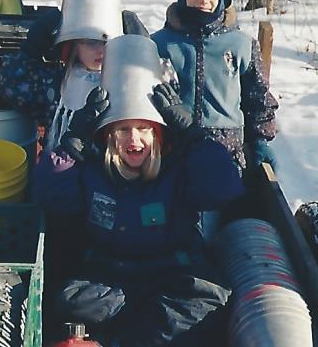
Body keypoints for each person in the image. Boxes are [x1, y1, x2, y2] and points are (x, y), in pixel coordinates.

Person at [32, 34, 245, 346]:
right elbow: (51, 197)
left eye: (144, 129)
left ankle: (128, 336)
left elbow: (223, 188)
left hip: (171, 272)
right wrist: (72, 144)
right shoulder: (94, 169)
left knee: (206, 304)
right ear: (108, 136)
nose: (134, 139)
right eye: (123, 130)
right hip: (109, 276)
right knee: (70, 301)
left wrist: (194, 137)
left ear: (158, 135)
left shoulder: (177, 168)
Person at [152, 0, 278, 173]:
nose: (204, 0)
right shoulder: (161, 43)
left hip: (228, 149)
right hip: (174, 147)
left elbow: (257, 96)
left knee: (224, 208)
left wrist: (259, 139)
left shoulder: (241, 44)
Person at [0, 0, 123, 153]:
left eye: (107, 43)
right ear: (74, 45)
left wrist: (144, 52)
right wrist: (30, 51)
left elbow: (156, 96)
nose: (101, 50)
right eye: (90, 43)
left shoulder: (124, 81)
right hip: (62, 173)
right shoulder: (57, 84)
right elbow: (9, 88)